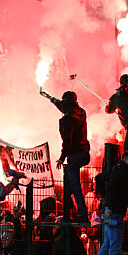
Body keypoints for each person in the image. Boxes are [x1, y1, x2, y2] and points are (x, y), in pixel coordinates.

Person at [40, 89, 91, 222]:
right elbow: (62, 105)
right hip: (85, 153)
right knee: (69, 186)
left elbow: (67, 142)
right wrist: (49, 97)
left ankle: (82, 215)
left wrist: (62, 158)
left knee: (75, 187)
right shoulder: (81, 112)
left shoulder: (68, 119)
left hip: (75, 156)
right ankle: (71, 211)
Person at [91, 150, 128, 255]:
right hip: (115, 213)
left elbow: (99, 178)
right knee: (114, 246)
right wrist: (109, 205)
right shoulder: (121, 173)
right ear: (126, 160)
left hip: (112, 212)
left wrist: (104, 199)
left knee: (107, 244)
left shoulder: (117, 171)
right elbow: (112, 189)